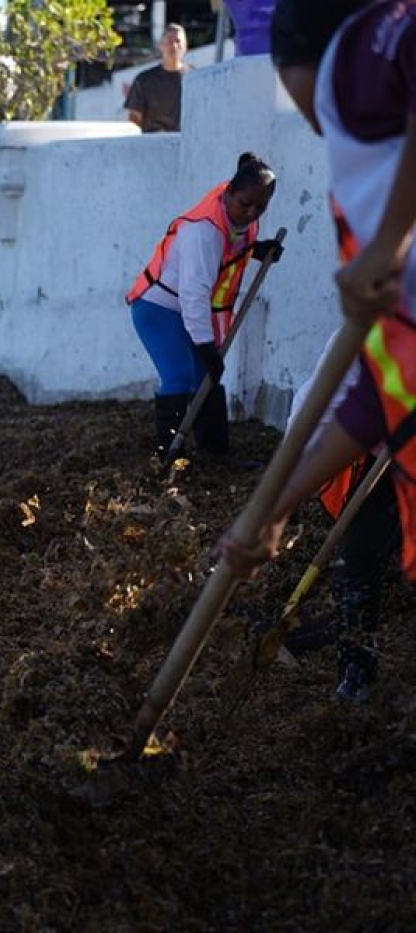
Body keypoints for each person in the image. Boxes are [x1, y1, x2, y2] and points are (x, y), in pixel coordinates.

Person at [221, 0, 415, 701]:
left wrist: (389, 244)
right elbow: (379, 387)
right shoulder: (361, 194)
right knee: (363, 549)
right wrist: (276, 507)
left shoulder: (360, 59)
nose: (312, 115)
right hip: (379, 455)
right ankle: (355, 677)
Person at [126, 153, 284, 462]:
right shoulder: (203, 233)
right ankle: (167, 456)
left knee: (206, 377)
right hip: (158, 308)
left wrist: (255, 249)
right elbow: (194, 295)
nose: (251, 213)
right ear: (228, 193)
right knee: (180, 375)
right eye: (245, 204)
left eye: (260, 207)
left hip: (185, 307)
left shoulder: (236, 212)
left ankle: (214, 451)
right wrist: (206, 346)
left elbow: (232, 244)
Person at [125, 24, 191, 133]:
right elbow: (134, 118)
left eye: (178, 41)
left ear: (185, 46)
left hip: (185, 142)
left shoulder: (195, 78)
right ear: (161, 46)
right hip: (153, 142)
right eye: (169, 41)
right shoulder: (144, 80)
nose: (174, 46)